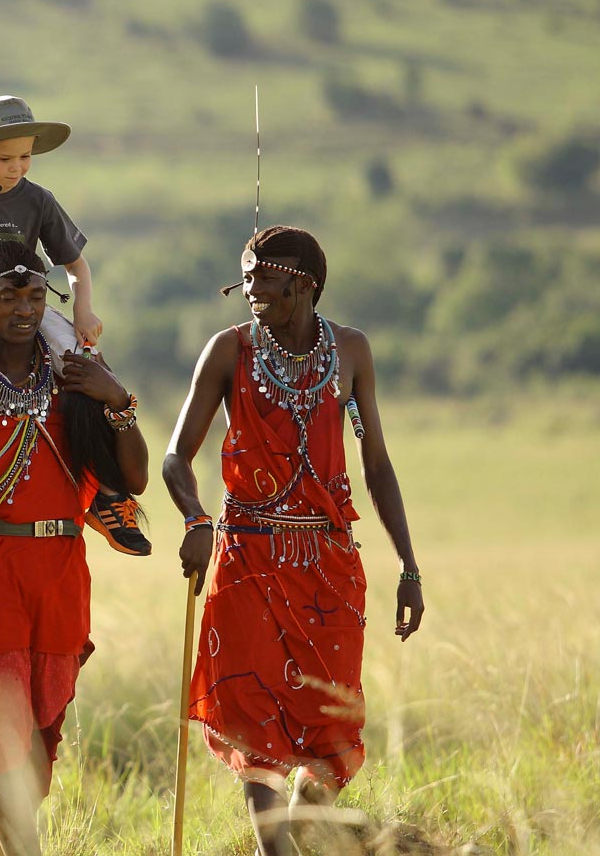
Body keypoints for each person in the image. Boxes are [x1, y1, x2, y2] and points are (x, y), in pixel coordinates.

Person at [161, 226, 427, 855]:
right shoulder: (228, 351)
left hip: (329, 564)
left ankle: (297, 830)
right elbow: (176, 458)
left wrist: (409, 565)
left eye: (266, 275)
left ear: (306, 283)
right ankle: (273, 848)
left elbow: (377, 464)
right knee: (254, 722)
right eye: (246, 275)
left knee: (330, 730)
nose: (252, 287)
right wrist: (198, 520)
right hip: (247, 557)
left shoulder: (352, 353)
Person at [0, 242, 148, 855]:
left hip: (60, 572)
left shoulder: (74, 374)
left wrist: (117, 399)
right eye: (9, 295)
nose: (23, 308)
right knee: (5, 755)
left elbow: (134, 479)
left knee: (38, 759)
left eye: (35, 296)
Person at [0, 95, 152, 558]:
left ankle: (107, 493)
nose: (17, 167)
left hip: (28, 301)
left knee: (88, 366)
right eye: (5, 158)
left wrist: (83, 310)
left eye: (25, 157)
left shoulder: (39, 199)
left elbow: (76, 264)